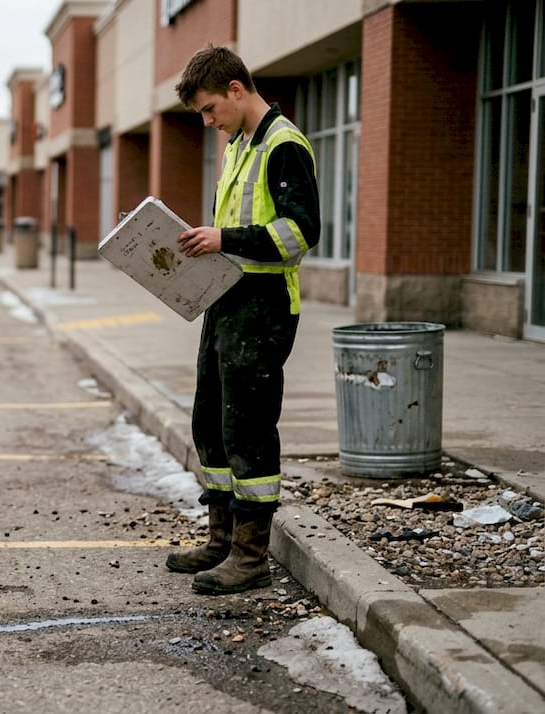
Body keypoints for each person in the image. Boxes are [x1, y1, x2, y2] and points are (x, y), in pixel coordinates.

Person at [165, 46, 320, 595]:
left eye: (210, 110)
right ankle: (222, 538)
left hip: (264, 304)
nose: (208, 123)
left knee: (248, 426)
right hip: (226, 297)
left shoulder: (283, 145)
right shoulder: (239, 145)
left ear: (236, 89)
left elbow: (300, 233)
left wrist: (223, 239)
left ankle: (250, 557)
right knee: (211, 420)